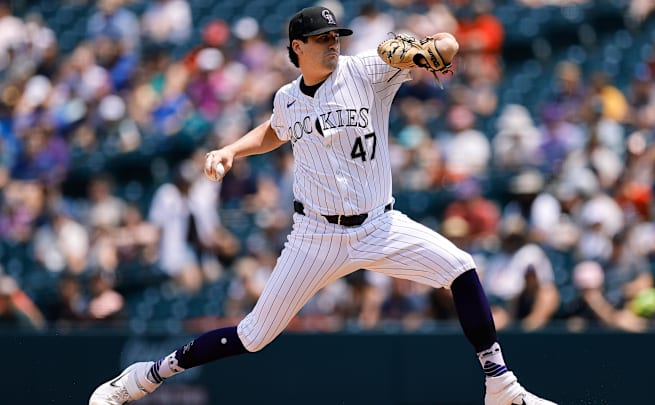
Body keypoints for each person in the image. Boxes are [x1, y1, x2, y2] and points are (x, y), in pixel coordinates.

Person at [89, 6, 556, 405]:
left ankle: (501, 385)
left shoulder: (367, 71)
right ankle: (145, 377)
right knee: (252, 335)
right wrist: (230, 150)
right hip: (315, 236)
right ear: (297, 47)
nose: (332, 43)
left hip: (379, 225)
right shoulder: (287, 98)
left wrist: (424, 47)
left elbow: (449, 46)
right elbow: (275, 130)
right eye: (321, 38)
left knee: (461, 265)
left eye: (336, 35)